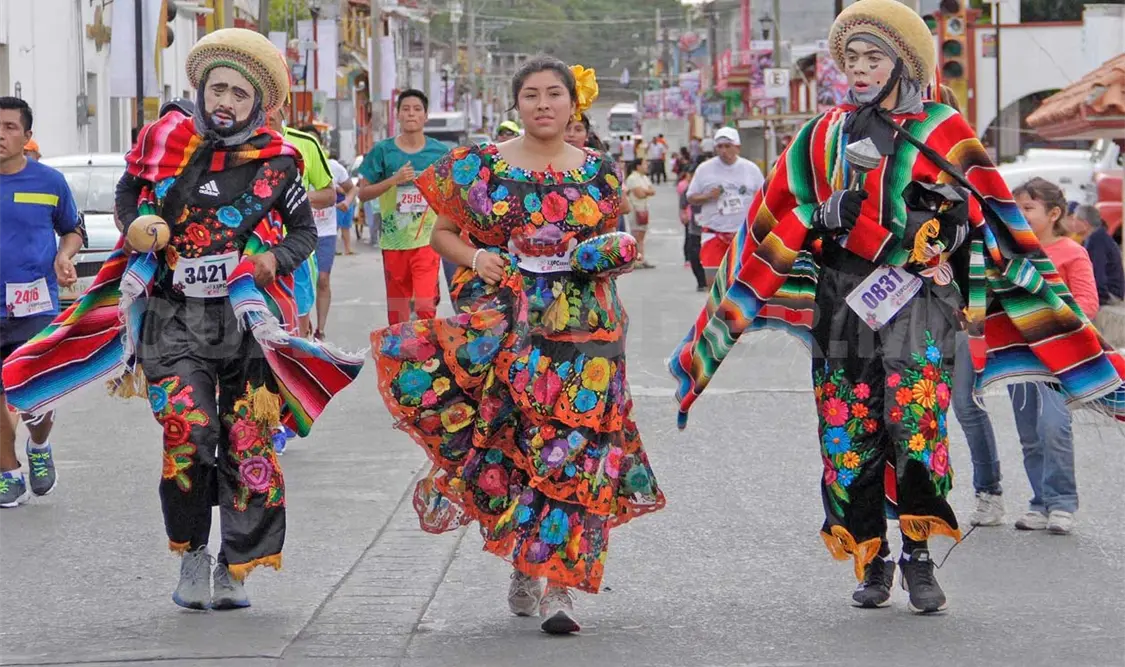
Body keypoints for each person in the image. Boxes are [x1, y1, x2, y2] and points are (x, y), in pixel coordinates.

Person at [669, 0, 1125, 615]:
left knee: (916, 423)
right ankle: (872, 556)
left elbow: (982, 216)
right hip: (842, 301)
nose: (859, 69)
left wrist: (939, 230)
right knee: (848, 429)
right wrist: (819, 216)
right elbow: (776, 214)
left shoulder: (943, 128)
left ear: (904, 64)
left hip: (919, 298)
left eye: (873, 58)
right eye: (851, 58)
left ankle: (918, 555)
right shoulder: (822, 133)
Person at [3, 28, 364, 609]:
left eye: (239, 94)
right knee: (188, 435)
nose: (225, 101)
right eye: (217, 88)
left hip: (246, 323)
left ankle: (235, 564)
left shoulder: (278, 163)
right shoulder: (163, 144)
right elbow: (128, 193)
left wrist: (272, 260)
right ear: (200, 90)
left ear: (257, 104)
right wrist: (136, 226)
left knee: (246, 441)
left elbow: (301, 233)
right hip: (171, 320)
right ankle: (192, 553)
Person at [370, 57, 664, 635]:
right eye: (531, 95)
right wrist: (478, 256)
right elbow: (442, 234)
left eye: (554, 94)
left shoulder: (600, 171)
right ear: (517, 104)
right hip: (511, 330)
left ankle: (560, 584)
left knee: (576, 450)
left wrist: (610, 254)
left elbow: (613, 240)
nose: (543, 104)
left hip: (589, 334)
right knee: (522, 447)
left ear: (573, 104)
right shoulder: (483, 167)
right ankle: (526, 563)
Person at [0, 97, 84, 507]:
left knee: (35, 394)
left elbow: (73, 230)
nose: (0, 134)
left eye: (10, 127)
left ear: (27, 136)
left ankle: (38, 445)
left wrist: (64, 256)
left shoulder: (49, 182)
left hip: (34, 305)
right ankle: (8, 473)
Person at [357, 89, 449, 325]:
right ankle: (403, 349)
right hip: (394, 241)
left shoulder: (440, 152)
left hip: (428, 240)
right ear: (397, 114)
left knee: (425, 307)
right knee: (398, 316)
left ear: (425, 116)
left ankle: (426, 348)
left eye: (417, 109)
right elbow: (363, 194)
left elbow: (454, 191)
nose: (411, 114)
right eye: (406, 109)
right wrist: (393, 180)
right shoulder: (383, 151)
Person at [265, 112, 335, 339]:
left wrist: (297, 198)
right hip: (253, 250)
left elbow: (329, 194)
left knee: (297, 327)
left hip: (296, 250)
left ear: (284, 108)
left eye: (273, 105)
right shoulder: (235, 144)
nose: (267, 113)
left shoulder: (304, 143)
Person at [685, 127, 763, 286]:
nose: (723, 150)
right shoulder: (705, 169)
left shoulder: (751, 169)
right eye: (719, 146)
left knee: (742, 284)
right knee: (713, 284)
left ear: (737, 147)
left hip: (742, 234)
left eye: (727, 146)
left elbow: (763, 197)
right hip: (713, 233)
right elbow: (691, 197)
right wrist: (708, 196)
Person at [1071, 204, 1124, 306]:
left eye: (1075, 219)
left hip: (1110, 293)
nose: (1072, 223)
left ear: (1085, 223)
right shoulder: (1095, 236)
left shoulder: (1096, 240)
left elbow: (1097, 274)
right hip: (1106, 291)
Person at [678, 166, 706, 291]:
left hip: (712, 227)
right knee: (694, 254)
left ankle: (709, 280)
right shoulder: (689, 189)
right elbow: (682, 205)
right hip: (695, 226)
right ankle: (701, 282)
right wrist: (683, 214)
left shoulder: (711, 187)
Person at [625, 159, 656, 268]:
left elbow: (652, 191)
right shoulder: (632, 178)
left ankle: (641, 258)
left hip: (644, 208)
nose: (647, 166)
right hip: (635, 209)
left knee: (642, 236)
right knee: (636, 236)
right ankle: (635, 260)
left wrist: (645, 191)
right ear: (638, 166)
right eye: (644, 164)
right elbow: (640, 194)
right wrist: (646, 191)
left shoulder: (644, 177)